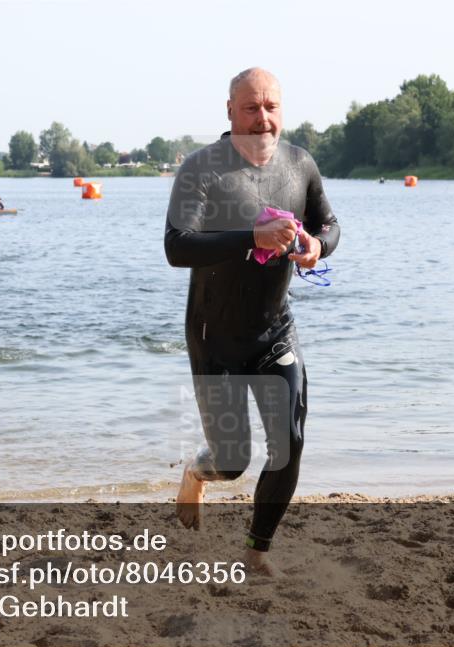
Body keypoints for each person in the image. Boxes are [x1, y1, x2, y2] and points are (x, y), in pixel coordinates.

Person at [164, 67, 341, 576]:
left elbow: (329, 224)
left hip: (274, 331)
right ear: (229, 111)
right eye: (250, 108)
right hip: (213, 338)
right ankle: (196, 474)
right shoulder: (202, 169)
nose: (262, 118)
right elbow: (177, 246)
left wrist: (314, 245)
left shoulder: (300, 165)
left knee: (290, 443)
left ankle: (256, 553)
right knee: (232, 459)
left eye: (271, 107)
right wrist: (250, 237)